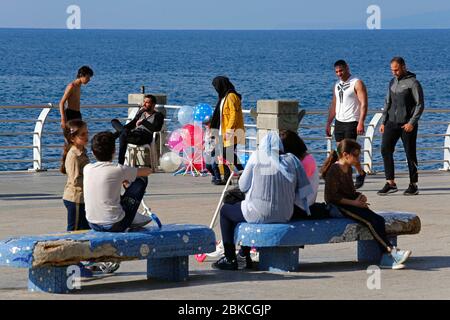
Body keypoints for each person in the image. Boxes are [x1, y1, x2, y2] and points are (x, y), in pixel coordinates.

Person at [212, 131, 314, 270]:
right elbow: (302, 190)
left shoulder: (257, 157)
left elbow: (242, 186)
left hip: (259, 213)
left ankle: (230, 258)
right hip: (285, 214)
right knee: (243, 209)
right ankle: (243, 254)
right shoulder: (292, 160)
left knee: (226, 211)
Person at [321, 139, 412, 269]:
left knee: (378, 219)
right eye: (356, 155)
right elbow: (331, 197)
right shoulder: (334, 170)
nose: (358, 158)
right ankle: (391, 252)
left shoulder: (349, 169)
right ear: (346, 155)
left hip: (350, 204)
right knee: (370, 222)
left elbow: (350, 191)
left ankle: (386, 257)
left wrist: (359, 196)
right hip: (338, 207)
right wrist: (354, 203)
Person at [84, 131, 154, 232]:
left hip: (92, 223)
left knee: (110, 189)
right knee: (141, 180)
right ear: (114, 151)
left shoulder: (87, 168)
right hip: (115, 224)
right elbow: (147, 172)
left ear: (93, 153)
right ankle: (132, 217)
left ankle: (129, 214)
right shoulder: (118, 169)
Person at [378, 57, 424, 196]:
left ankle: (413, 184)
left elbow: (420, 105)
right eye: (392, 70)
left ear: (404, 66)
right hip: (391, 122)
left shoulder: (413, 83)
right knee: (385, 149)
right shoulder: (392, 82)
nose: (394, 72)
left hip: (407, 125)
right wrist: (383, 121)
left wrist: (411, 123)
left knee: (410, 154)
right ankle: (390, 183)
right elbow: (387, 103)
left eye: (396, 69)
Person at [325, 60, 368, 189]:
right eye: (337, 72)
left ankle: (359, 173)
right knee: (340, 154)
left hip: (352, 122)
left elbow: (364, 103)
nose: (339, 74)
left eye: (341, 71)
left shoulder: (356, 82)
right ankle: (348, 179)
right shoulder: (337, 84)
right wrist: (328, 123)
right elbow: (334, 105)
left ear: (347, 68)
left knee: (349, 154)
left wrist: (361, 122)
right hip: (339, 122)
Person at [279, 130, 325, 218]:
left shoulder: (305, 163)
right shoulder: (305, 158)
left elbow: (294, 187)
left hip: (302, 206)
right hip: (304, 203)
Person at [111, 94, 164, 165]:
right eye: (144, 102)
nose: (144, 104)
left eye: (147, 102)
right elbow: (131, 125)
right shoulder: (141, 112)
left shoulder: (158, 115)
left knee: (123, 135)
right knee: (114, 121)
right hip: (135, 133)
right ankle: (120, 164)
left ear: (153, 104)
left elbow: (156, 128)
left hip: (144, 136)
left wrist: (143, 121)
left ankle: (120, 163)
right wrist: (122, 130)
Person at [210, 76, 245, 183]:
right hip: (222, 130)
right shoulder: (223, 97)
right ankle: (226, 178)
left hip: (231, 132)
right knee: (223, 154)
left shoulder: (231, 96)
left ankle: (243, 171)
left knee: (228, 153)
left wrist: (229, 130)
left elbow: (234, 115)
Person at [61, 119, 90, 231]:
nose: (86, 136)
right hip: (75, 198)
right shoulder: (73, 155)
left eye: (87, 133)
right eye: (82, 134)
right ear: (72, 138)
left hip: (82, 198)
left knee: (85, 229)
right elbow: (75, 180)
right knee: (74, 230)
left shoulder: (82, 151)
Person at [203, 118, 222, 185]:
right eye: (205, 124)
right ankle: (214, 175)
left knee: (214, 165)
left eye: (207, 124)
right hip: (207, 151)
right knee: (208, 166)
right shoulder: (206, 132)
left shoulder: (214, 131)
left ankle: (218, 178)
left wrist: (215, 148)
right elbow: (205, 141)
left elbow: (217, 140)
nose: (206, 125)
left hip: (215, 150)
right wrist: (203, 146)